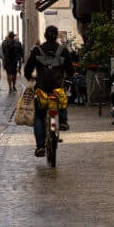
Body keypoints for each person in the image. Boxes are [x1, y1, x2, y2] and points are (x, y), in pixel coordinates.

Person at [24, 26, 72, 154]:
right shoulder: (63, 50)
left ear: (45, 35)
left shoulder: (37, 50)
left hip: (42, 89)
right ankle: (63, 121)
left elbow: (27, 69)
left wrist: (30, 77)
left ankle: (40, 146)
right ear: (56, 36)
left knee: (39, 116)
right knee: (62, 99)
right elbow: (71, 70)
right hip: (57, 88)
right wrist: (68, 76)